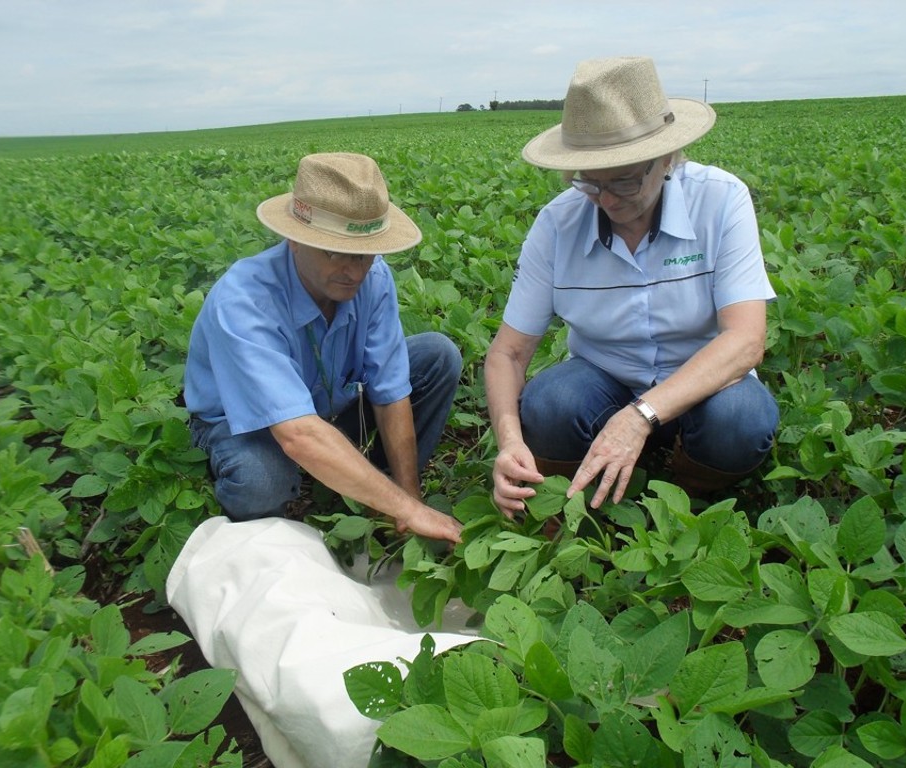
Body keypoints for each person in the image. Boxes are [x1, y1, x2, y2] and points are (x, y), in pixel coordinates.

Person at [485, 56, 780, 517]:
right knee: (550, 404)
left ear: (666, 158)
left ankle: (689, 498)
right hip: (606, 378)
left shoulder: (720, 199)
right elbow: (509, 353)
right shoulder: (558, 224)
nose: (606, 199)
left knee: (740, 419)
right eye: (588, 181)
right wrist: (509, 441)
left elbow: (745, 341)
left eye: (623, 180)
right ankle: (572, 502)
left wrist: (641, 416)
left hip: (706, 383)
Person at [185, 152, 463, 543]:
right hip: (244, 424)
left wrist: (407, 500)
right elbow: (297, 433)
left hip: (324, 406)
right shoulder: (244, 300)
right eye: (334, 252)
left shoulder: (373, 277)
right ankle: (257, 536)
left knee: (437, 356)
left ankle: (375, 493)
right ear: (295, 241)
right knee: (262, 479)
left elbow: (391, 390)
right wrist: (411, 511)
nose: (355, 271)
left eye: (365, 253)